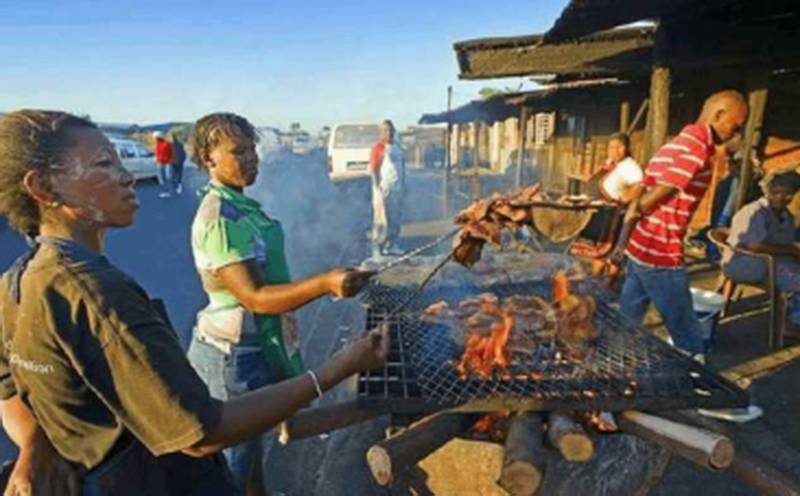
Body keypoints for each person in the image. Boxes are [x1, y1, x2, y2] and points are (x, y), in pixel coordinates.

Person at [0, 110, 388, 495]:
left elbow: (8, 386)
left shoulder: (16, 282)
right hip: (142, 480)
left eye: (119, 161)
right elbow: (204, 434)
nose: (127, 176)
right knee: (237, 462)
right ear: (44, 189)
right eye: (103, 164)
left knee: (248, 463)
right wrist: (344, 366)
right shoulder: (98, 294)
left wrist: (34, 444)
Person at [185, 112, 375, 494]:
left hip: (256, 346)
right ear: (209, 159)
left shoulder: (241, 204)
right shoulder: (221, 218)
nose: (252, 158)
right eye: (238, 151)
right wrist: (324, 283)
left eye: (253, 149)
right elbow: (254, 297)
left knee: (252, 454)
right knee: (231, 468)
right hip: (233, 358)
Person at [615, 90, 749, 361]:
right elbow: (648, 200)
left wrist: (623, 241)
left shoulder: (677, 141)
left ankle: (614, 370)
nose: (736, 134)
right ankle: (698, 389)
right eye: (735, 126)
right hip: (660, 252)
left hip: (641, 247)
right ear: (718, 115)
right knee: (688, 335)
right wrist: (624, 231)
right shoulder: (698, 146)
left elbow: (640, 197)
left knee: (627, 321)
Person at [721, 169, 800, 330]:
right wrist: (793, 251)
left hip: (772, 262)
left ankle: (794, 317)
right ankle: (792, 325)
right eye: (776, 192)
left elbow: (786, 242)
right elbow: (755, 246)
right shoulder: (754, 211)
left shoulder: (786, 216)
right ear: (767, 191)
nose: (781, 197)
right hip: (747, 264)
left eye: (788, 194)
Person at [369, 120, 406, 257]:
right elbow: (373, 168)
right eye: (385, 130)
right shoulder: (378, 147)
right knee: (381, 220)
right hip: (383, 189)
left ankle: (393, 245)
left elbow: (401, 167)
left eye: (390, 130)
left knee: (395, 219)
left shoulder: (397, 147)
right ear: (381, 132)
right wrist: (376, 187)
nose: (388, 133)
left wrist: (404, 185)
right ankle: (378, 246)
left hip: (397, 188)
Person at [154, 131, 175, 198]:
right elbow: (157, 154)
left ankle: (168, 191)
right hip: (161, 163)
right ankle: (166, 191)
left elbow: (171, 153)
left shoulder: (167, 144)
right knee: (163, 178)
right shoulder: (157, 145)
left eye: (156, 137)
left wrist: (171, 160)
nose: (155, 139)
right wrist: (157, 160)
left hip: (167, 163)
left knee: (167, 178)